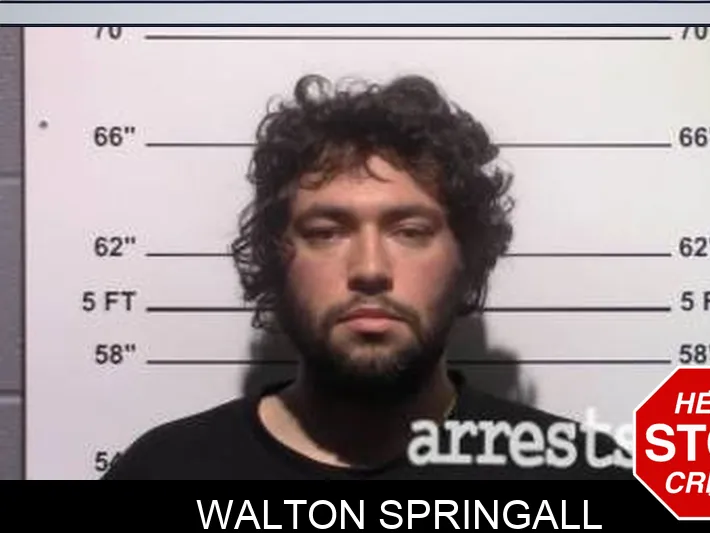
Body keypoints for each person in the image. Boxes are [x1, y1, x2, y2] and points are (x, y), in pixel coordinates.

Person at [103, 74, 632, 480]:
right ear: (275, 258)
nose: (370, 270)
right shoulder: (162, 471)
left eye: (410, 231)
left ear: (466, 259)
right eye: (327, 232)